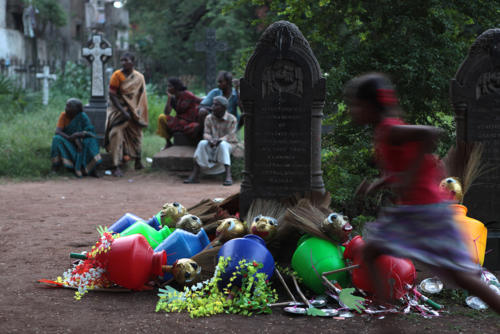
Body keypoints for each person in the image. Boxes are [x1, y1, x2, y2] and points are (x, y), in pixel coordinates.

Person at [346, 72, 500, 313]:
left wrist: (410, 174)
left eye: (356, 104)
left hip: (424, 211)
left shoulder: (390, 130)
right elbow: (404, 166)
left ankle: (386, 312)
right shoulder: (386, 131)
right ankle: (385, 310)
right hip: (416, 210)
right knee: (371, 251)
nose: (352, 110)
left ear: (371, 105)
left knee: (462, 277)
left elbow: (430, 133)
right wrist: (380, 183)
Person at [105, 52, 148, 177]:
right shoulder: (117, 75)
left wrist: (137, 112)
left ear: (132, 62)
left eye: (126, 60)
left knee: (136, 135)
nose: (123, 63)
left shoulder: (139, 77)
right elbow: (112, 95)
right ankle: (115, 165)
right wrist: (123, 111)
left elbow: (141, 96)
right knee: (115, 134)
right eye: (122, 60)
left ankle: (138, 160)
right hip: (117, 110)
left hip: (134, 111)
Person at [184, 96, 240, 186]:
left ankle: (228, 176)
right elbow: (206, 133)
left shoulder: (232, 119)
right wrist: (209, 139)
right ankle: (195, 175)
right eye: (213, 104)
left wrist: (219, 140)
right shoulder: (209, 118)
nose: (212, 106)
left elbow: (231, 135)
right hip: (213, 143)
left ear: (223, 107)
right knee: (202, 143)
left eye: (216, 104)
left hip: (229, 144)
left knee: (223, 145)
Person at [51, 98, 102, 177]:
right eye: (66, 106)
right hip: (69, 141)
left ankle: (93, 168)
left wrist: (77, 135)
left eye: (68, 106)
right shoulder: (63, 115)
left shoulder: (82, 116)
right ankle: (55, 167)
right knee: (56, 139)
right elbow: (58, 131)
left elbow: (90, 131)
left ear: (76, 109)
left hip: (81, 142)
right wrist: (70, 138)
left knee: (91, 140)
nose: (66, 108)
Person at [157, 77, 202, 149]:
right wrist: (169, 98)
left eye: (170, 86)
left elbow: (200, 101)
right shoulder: (173, 98)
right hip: (178, 121)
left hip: (189, 122)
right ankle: (168, 142)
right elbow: (166, 113)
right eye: (167, 86)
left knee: (196, 127)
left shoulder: (187, 94)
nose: (168, 88)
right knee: (161, 118)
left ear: (176, 87)